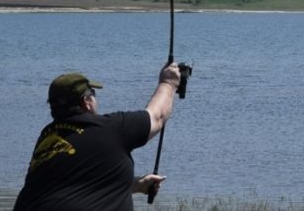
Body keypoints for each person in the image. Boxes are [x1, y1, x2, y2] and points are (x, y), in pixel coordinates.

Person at [13, 63, 182, 211]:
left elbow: (70, 185)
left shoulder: (47, 137)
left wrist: (135, 185)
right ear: (87, 101)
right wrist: (168, 82)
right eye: (93, 93)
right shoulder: (111, 128)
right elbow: (157, 116)